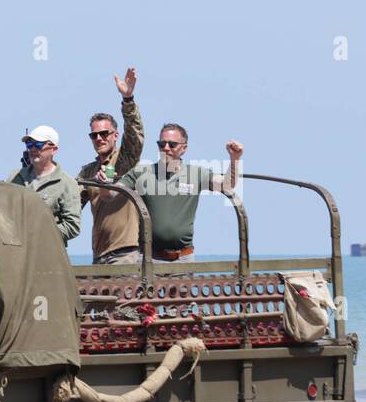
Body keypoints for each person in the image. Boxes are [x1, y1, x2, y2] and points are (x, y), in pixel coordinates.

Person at [118, 124, 243, 262]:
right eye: (161, 144)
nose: (166, 148)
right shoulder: (141, 172)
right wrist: (105, 182)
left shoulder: (195, 174)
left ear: (184, 148)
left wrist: (235, 159)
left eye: (172, 145)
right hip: (149, 259)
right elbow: (113, 192)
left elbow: (227, 184)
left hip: (184, 258)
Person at [0, 125, 82, 245]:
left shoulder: (67, 183)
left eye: (38, 144)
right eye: (29, 144)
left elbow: (72, 226)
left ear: (54, 149)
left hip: (47, 254)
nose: (33, 149)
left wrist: (38, 234)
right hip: (16, 252)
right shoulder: (15, 176)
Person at [79, 67, 145, 264]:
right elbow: (69, 201)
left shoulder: (125, 162)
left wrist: (128, 100)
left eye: (104, 134)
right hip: (100, 255)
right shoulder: (88, 171)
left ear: (115, 136)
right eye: (94, 135)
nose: (99, 138)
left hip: (125, 254)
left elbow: (135, 136)